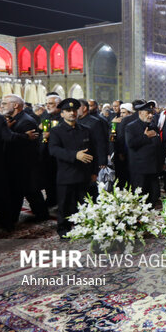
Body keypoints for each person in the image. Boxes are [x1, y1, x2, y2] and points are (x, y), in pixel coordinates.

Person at [48, 99, 97, 238]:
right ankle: (63, 228)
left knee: (84, 202)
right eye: (68, 111)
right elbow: (53, 150)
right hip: (66, 174)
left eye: (74, 110)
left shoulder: (86, 130)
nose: (72, 113)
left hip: (84, 174)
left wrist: (94, 172)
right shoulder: (56, 131)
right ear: (62, 114)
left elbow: (93, 151)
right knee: (64, 203)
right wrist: (75, 155)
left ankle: (83, 225)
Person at [1, 94, 49, 228]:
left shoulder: (25, 121)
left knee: (30, 191)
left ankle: (40, 216)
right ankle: (13, 218)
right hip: (18, 164)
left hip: (24, 164)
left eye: (5, 103)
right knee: (23, 192)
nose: (2, 106)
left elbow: (25, 145)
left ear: (15, 105)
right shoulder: (15, 119)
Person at [125, 101, 162, 205]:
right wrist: (146, 137)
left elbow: (158, 145)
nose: (150, 115)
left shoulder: (153, 126)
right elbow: (131, 144)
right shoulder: (131, 127)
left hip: (153, 168)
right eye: (148, 113)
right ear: (140, 113)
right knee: (140, 197)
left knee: (154, 196)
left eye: (151, 113)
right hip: (140, 169)